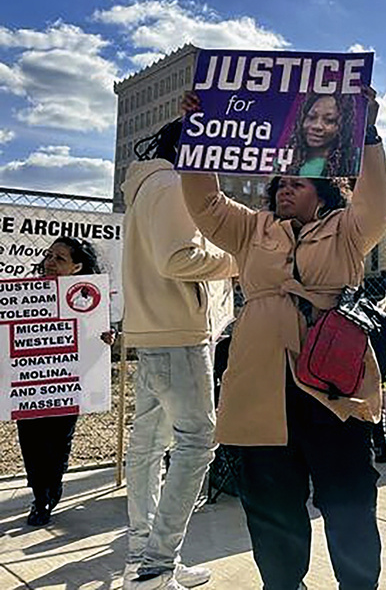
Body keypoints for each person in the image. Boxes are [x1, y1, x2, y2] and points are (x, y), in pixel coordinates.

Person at [180, 86, 386, 590]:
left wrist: (367, 135)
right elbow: (204, 202)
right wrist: (198, 133)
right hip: (260, 388)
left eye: (298, 182)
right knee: (272, 509)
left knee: (350, 502)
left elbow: (377, 203)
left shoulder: (347, 229)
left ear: (325, 191)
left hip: (332, 389)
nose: (285, 188)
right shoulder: (250, 229)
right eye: (281, 183)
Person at [122, 111, 238, 590]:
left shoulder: (146, 187)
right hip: (179, 336)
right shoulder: (172, 185)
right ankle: (156, 564)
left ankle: (143, 556)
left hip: (151, 335)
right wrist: (237, 258)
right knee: (195, 446)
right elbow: (178, 258)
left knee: (147, 447)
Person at [17, 237, 106, 526]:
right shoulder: (24, 294)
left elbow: (94, 339)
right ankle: (39, 495)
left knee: (57, 441)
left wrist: (106, 340)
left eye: (59, 258)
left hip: (68, 384)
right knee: (30, 440)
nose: (50, 262)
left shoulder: (90, 299)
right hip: (29, 383)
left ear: (77, 267)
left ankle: (51, 488)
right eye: (48, 256)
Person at [285, 91, 358, 178]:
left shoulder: (354, 162)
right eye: (311, 117)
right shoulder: (280, 162)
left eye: (329, 120)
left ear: (343, 126)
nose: (317, 126)